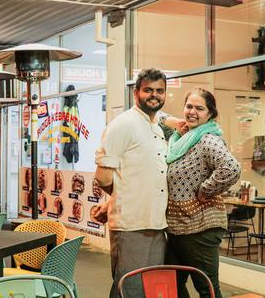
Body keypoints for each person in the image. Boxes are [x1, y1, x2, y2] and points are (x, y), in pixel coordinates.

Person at [95, 68, 177, 298]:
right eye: (148, 90)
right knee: (129, 288)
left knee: (148, 288)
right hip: (131, 223)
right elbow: (102, 176)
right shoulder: (123, 124)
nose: (154, 95)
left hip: (156, 222)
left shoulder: (156, 127)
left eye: (159, 91)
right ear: (136, 93)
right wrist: (120, 195)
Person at [165, 88, 241, 298]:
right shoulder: (180, 140)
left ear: (210, 114)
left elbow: (231, 168)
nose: (192, 112)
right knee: (171, 286)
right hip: (178, 227)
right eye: (189, 106)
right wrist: (175, 122)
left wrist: (205, 190)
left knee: (206, 288)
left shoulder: (207, 139)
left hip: (200, 227)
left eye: (199, 108)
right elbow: (158, 118)